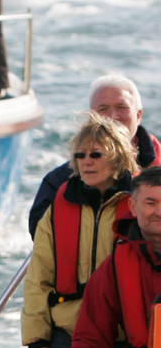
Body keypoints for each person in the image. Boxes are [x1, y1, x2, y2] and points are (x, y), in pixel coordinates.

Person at [21, 114, 138, 348]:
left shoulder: (140, 207)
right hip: (65, 333)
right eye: (80, 155)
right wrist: (36, 339)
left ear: (118, 157)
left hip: (120, 336)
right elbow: (39, 276)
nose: (86, 161)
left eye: (96, 154)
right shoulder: (58, 207)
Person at [62, 167, 161, 348]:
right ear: (133, 207)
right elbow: (93, 329)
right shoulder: (117, 264)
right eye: (151, 203)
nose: (159, 212)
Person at [28, 75, 161, 236]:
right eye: (103, 109)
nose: (113, 116)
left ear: (139, 115)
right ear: (91, 118)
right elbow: (39, 235)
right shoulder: (58, 181)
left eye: (121, 107)